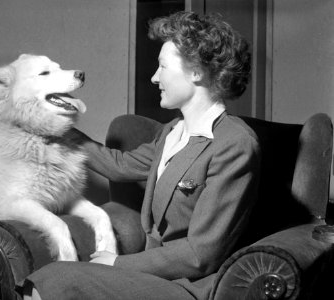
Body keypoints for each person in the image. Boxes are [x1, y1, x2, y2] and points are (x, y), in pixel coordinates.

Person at [21, 11, 260, 300]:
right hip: (152, 273)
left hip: (192, 286)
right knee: (45, 279)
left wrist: (117, 264)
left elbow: (201, 253)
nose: (154, 77)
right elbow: (119, 166)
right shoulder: (174, 131)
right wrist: (56, 127)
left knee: (54, 280)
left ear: (196, 72)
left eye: (163, 67)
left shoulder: (235, 144)